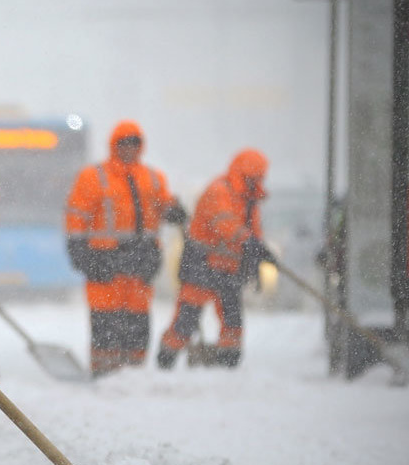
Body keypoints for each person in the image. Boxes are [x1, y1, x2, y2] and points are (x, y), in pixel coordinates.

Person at [65, 120, 186, 377]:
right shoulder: (93, 177)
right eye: (124, 143)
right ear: (114, 145)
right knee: (105, 320)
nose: (129, 148)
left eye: (134, 143)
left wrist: (174, 211)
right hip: (104, 260)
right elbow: (77, 215)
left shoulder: (153, 177)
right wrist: (78, 249)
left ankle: (134, 373)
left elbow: (163, 205)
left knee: (137, 320)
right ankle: (104, 373)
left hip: (141, 260)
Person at [157, 149, 274, 369]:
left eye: (258, 178)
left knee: (232, 317)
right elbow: (225, 224)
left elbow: (252, 230)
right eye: (251, 178)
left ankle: (229, 358)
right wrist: (248, 242)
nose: (255, 183)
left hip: (230, 266)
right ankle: (167, 357)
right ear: (241, 174)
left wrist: (259, 252)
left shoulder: (249, 199)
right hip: (202, 261)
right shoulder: (219, 191)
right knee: (188, 316)